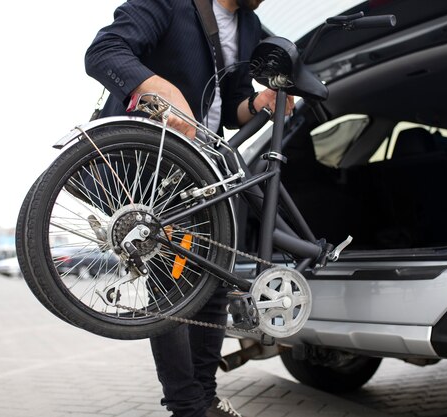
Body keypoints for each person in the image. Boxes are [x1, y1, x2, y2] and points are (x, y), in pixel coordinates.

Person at [84, 1, 293, 416]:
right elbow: (104, 51)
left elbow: (231, 107)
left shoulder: (248, 27)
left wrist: (259, 103)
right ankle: (186, 406)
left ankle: (205, 396)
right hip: (151, 165)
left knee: (215, 280)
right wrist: (154, 87)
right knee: (172, 286)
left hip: (205, 171)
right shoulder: (169, 3)